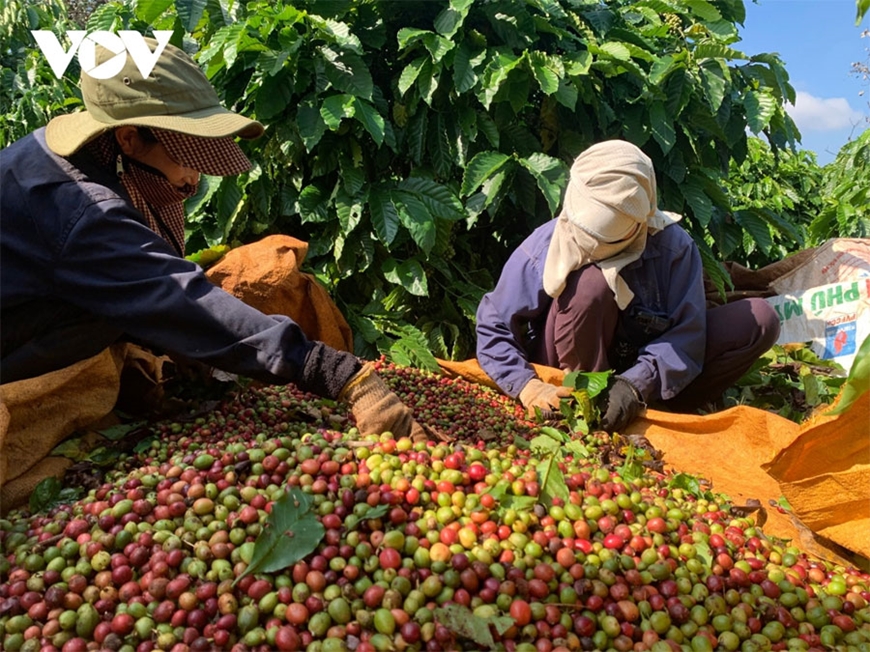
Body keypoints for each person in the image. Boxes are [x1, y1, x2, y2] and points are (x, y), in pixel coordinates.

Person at [0, 38, 421, 441]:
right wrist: (334, 372)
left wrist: (183, 342)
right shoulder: (79, 208)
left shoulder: (79, 154)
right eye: (186, 156)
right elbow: (169, 293)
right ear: (128, 137)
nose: (194, 179)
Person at [476, 140, 781, 433]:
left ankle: (661, 409)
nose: (592, 247)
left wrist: (634, 385)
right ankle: (583, 406)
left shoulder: (674, 249)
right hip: (568, 369)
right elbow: (494, 322)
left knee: (758, 319)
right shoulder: (546, 243)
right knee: (590, 285)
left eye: (607, 241)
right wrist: (527, 385)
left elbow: (687, 334)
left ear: (639, 223)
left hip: (644, 373)